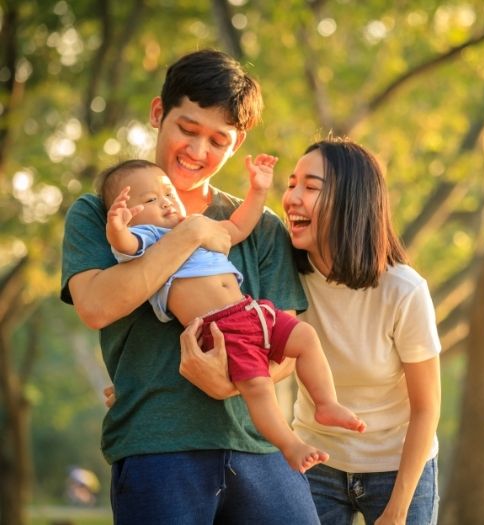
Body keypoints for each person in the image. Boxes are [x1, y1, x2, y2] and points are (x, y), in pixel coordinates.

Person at [61, 49, 321, 524]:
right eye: (187, 129)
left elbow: (287, 336)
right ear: (159, 113)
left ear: (237, 143)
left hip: (259, 444)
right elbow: (96, 306)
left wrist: (227, 384)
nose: (198, 152)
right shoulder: (102, 211)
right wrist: (188, 234)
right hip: (157, 447)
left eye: (217, 140)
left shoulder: (259, 227)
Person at [180, 136, 442, 524]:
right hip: (315, 459)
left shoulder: (403, 290)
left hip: (398, 467)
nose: (292, 198)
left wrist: (398, 510)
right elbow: (219, 314)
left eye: (311, 187)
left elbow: (426, 408)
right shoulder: (284, 273)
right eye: (291, 184)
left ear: (351, 201)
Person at [100, 158, 365, 472]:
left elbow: (239, 226)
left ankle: (325, 403)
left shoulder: (196, 226)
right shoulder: (149, 239)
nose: (167, 203)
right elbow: (125, 244)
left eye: (169, 194)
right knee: (258, 387)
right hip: (222, 330)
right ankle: (289, 444)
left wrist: (258, 190)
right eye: (150, 200)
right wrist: (117, 226)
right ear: (132, 215)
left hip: (252, 311)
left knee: (305, 336)